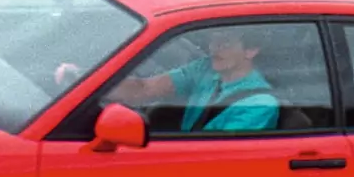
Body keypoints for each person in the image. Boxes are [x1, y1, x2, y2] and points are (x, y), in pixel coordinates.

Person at [59, 28, 280, 133]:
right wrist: (83, 79)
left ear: (251, 50)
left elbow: (211, 156)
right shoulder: (205, 68)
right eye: (213, 42)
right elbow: (144, 89)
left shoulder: (259, 105)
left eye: (225, 44)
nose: (214, 49)